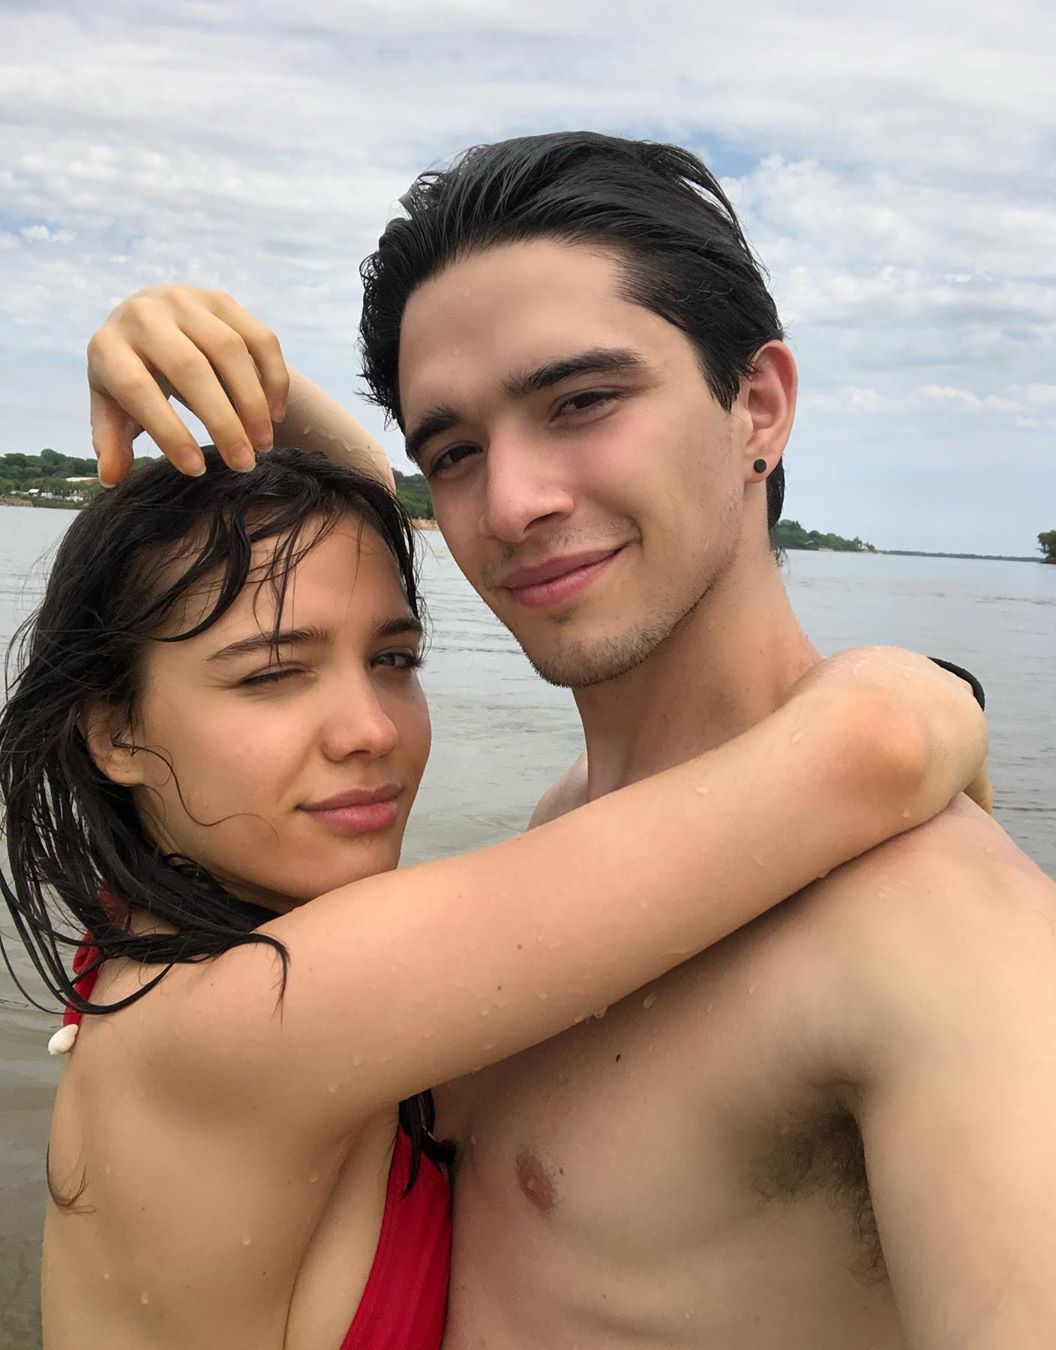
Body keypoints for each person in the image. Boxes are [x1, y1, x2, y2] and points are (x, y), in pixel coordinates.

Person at [84, 138, 1056, 1349]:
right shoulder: (572, 838)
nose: (511, 505)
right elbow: (351, 556)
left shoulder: (943, 937)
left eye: (584, 402)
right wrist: (235, 377)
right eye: (453, 452)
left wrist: (900, 716)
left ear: (758, 408)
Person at [1, 442, 984, 1350]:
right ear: (115, 734)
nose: (369, 729)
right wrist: (941, 691)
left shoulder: (154, 934)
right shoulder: (258, 1012)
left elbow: (350, 525)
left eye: (393, 659)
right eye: (274, 674)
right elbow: (880, 750)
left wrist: (253, 389)